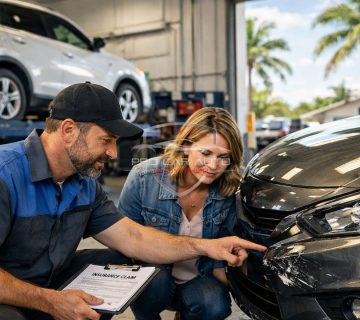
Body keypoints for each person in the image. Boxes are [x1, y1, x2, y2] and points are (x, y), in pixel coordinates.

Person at [0, 82, 266, 320]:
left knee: (118, 262)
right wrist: (51, 302)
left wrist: (209, 248)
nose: (113, 153)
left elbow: (134, 238)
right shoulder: (5, 174)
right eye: (106, 140)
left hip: (49, 282)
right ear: (69, 130)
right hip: (9, 295)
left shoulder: (86, 186)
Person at [118, 107, 245, 320]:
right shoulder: (144, 178)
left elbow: (219, 258)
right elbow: (121, 241)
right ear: (186, 146)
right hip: (154, 280)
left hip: (199, 277)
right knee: (152, 280)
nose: (214, 166)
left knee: (214, 305)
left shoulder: (229, 190)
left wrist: (246, 285)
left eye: (223, 157)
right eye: (206, 153)